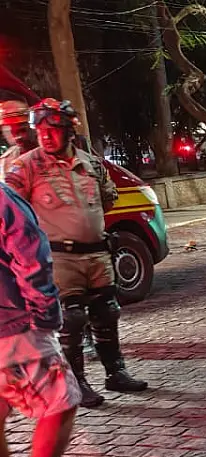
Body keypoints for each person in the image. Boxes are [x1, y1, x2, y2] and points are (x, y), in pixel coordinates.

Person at [5, 99, 147, 407]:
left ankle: (116, 373)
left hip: (97, 254)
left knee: (107, 313)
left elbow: (108, 197)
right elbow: (10, 210)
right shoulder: (26, 166)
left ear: (69, 130)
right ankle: (77, 383)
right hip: (59, 258)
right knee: (71, 320)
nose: (45, 135)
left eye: (53, 128)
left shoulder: (91, 163)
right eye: (40, 129)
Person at [0, 179, 80, 457]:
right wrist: (46, 317)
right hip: (15, 329)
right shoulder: (4, 201)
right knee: (61, 403)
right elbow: (31, 259)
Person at [0, 98, 35, 182]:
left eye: (22, 130)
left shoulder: (48, 155)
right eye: (10, 132)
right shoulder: (4, 162)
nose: (17, 137)